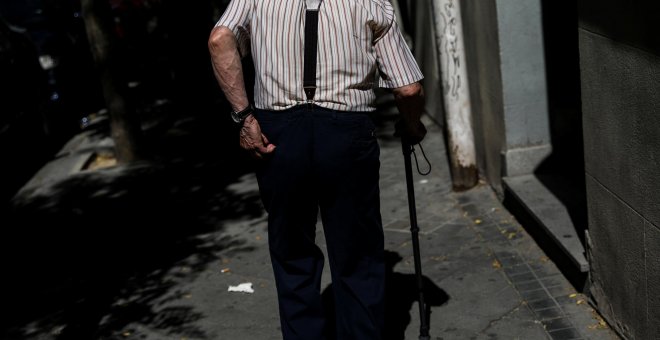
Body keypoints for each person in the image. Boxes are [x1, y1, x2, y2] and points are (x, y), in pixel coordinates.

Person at [209, 0, 426, 338]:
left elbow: (220, 39)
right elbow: (408, 88)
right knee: (358, 256)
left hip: (278, 135)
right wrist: (412, 125)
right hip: (347, 134)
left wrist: (244, 117)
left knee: (292, 254)